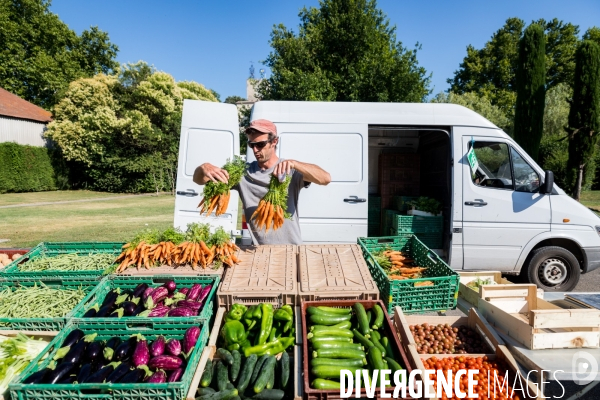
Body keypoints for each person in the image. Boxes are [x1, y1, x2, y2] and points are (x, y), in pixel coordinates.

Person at [193, 119, 331, 245]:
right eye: (251, 145)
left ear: (274, 142)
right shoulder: (242, 173)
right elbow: (199, 180)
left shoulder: (289, 169)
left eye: (260, 144)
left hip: (292, 248)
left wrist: (295, 164)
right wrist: (204, 167)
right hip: (258, 251)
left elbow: (325, 178)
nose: (255, 150)